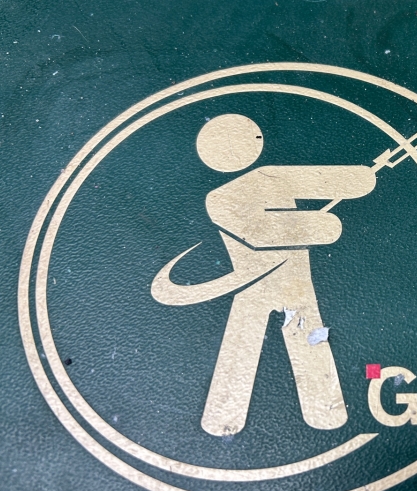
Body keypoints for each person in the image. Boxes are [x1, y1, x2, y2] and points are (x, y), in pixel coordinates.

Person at [152, 114, 375, 436]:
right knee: (246, 349)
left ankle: (326, 417)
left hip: (291, 285)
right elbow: (301, 229)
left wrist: (365, 173)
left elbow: (357, 181)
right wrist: (318, 223)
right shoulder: (223, 198)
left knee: (292, 344)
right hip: (261, 286)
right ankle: (224, 419)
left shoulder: (268, 179)